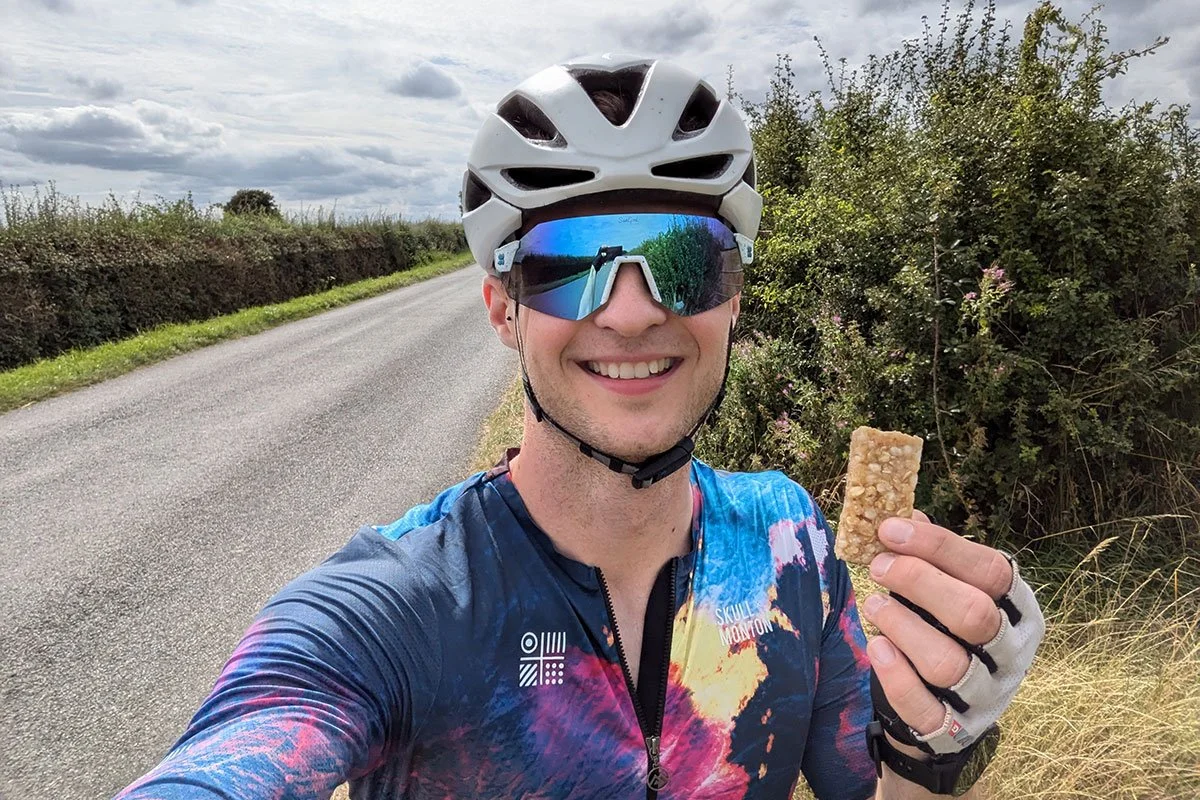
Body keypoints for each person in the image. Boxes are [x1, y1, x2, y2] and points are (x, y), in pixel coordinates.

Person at [116, 54, 1044, 800]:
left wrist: (934, 742)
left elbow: (871, 787)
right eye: (568, 262)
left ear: (734, 298)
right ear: (502, 307)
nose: (634, 314)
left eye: (688, 258)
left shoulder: (790, 541)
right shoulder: (395, 610)